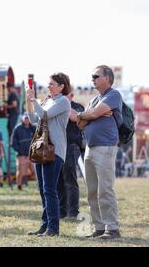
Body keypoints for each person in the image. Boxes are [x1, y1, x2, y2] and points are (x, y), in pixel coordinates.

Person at [77, 65, 123, 240]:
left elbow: (93, 114)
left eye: (96, 76)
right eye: (92, 76)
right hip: (90, 147)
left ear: (107, 78)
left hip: (106, 147)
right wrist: (89, 114)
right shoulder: (94, 99)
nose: (93, 79)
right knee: (92, 191)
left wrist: (90, 114)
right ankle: (99, 227)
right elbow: (81, 123)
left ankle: (112, 228)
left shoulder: (114, 94)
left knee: (105, 189)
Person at [26, 73, 71, 237]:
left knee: (49, 190)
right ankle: (45, 226)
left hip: (55, 150)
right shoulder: (48, 100)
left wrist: (34, 100)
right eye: (48, 84)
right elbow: (33, 119)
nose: (49, 86)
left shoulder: (63, 101)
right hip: (42, 149)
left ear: (61, 86)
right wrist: (29, 101)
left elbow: (44, 115)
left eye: (52, 84)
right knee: (43, 189)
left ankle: (53, 228)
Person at [57, 91, 84, 221]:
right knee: (59, 181)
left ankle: (73, 212)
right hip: (57, 146)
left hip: (71, 145)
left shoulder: (77, 107)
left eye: (64, 95)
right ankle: (61, 212)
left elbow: (75, 118)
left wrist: (63, 105)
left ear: (71, 95)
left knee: (70, 179)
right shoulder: (56, 105)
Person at [11, 112, 36, 191]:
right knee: (20, 171)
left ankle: (40, 186)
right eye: (25, 118)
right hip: (21, 155)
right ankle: (19, 186)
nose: (27, 120)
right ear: (22, 119)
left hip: (32, 154)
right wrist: (19, 151)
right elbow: (13, 142)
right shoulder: (17, 128)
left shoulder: (34, 128)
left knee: (35, 171)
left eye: (28, 118)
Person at [6, 84, 20, 185]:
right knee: (9, 128)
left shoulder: (13, 95)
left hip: (13, 115)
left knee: (11, 129)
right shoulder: (14, 94)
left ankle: (11, 140)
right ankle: (11, 139)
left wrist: (6, 106)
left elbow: (14, 105)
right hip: (13, 115)